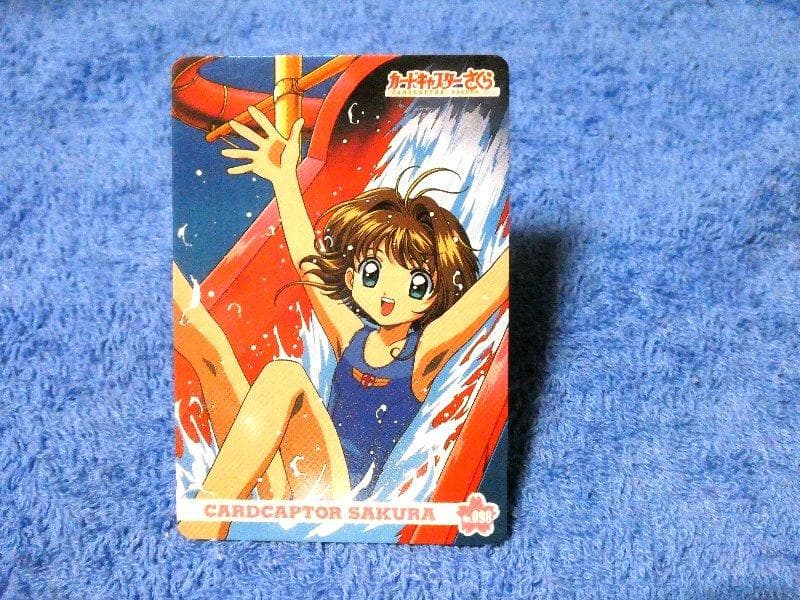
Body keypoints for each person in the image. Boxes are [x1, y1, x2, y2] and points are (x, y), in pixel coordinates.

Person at [177, 107, 508, 539]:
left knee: (283, 376)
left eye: (416, 283)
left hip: (337, 502)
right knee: (210, 350)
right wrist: (284, 180)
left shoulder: (424, 354)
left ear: (434, 296)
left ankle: (203, 522)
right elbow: (307, 261)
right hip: (292, 485)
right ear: (351, 279)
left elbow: (486, 296)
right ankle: (208, 514)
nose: (389, 294)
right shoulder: (352, 338)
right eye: (373, 273)